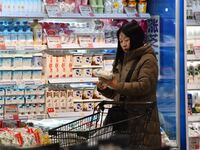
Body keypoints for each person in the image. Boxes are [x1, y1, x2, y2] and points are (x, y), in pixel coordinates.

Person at [97, 21, 161, 149]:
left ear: (136, 38)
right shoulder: (122, 59)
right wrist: (105, 88)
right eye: (121, 41)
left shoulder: (148, 59)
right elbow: (118, 93)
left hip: (142, 121)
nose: (123, 44)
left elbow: (144, 86)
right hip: (124, 120)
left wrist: (116, 85)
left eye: (127, 40)